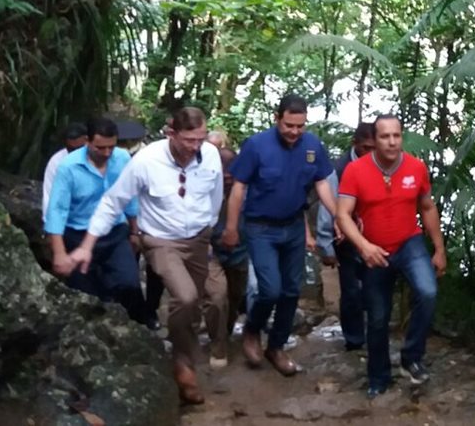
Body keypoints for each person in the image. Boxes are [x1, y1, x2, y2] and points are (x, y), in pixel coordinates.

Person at [69, 107, 224, 405]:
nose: (195, 147)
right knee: (187, 296)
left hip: (198, 238)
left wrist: (210, 230)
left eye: (200, 139)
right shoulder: (145, 162)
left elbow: (215, 196)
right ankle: (183, 365)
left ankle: (182, 353)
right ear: (171, 133)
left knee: (196, 306)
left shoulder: (211, 156)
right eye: (188, 140)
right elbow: (112, 203)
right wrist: (88, 244)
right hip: (160, 240)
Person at [220, 94, 339, 377]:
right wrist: (231, 227)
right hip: (261, 228)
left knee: (291, 291)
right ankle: (252, 329)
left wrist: (338, 217)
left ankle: (276, 345)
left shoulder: (311, 146)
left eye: (300, 126)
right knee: (269, 288)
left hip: (294, 227)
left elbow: (321, 182)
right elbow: (238, 189)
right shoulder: (257, 145)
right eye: (289, 126)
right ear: (277, 119)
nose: (295, 132)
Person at [335, 115, 446, 398]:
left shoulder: (416, 167)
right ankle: (379, 376)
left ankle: (411, 357)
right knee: (377, 317)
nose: (392, 141)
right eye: (385, 136)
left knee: (428, 292)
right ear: (374, 140)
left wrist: (439, 248)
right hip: (374, 249)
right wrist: (363, 246)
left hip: (409, 243)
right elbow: (343, 214)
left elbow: (427, 206)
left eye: (396, 135)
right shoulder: (356, 170)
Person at [45, 117, 144, 322]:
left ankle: (133, 328)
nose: (107, 153)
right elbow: (57, 210)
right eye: (100, 148)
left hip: (114, 233)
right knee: (86, 295)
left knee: (129, 283)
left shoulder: (122, 158)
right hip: (77, 235)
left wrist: (135, 231)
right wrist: (59, 252)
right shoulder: (68, 167)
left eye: (111, 147)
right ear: (87, 141)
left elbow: (129, 197)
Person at [315, 121, 375, 350]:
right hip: (344, 237)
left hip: (374, 235)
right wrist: (326, 246)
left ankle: (373, 333)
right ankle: (354, 339)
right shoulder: (338, 169)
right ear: (355, 144)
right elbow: (326, 207)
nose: (369, 153)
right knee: (350, 289)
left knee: (373, 287)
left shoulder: (381, 165)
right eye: (365, 148)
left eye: (373, 148)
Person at [202, 143, 249, 368]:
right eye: (223, 168)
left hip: (240, 254)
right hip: (210, 252)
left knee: (235, 297)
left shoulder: (248, 193)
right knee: (217, 297)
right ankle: (218, 344)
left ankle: (226, 331)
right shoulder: (201, 190)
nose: (228, 174)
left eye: (232, 168)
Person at [42, 122, 87, 220]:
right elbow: (49, 195)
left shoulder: (99, 157)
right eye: (71, 149)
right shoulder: (57, 162)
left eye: (80, 149)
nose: (76, 154)